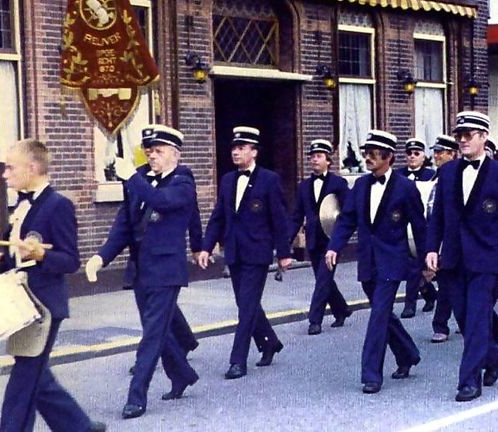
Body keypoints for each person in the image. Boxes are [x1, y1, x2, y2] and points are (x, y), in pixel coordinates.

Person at [86, 125, 199, 419]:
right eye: (149, 151)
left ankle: (136, 397)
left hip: (167, 270)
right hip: (140, 269)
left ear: (175, 154)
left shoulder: (183, 180)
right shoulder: (139, 178)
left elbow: (162, 201)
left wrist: (133, 178)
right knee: (157, 331)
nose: (152, 156)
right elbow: (124, 225)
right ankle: (183, 374)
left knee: (151, 335)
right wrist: (101, 257)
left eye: (158, 151)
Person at [0, 139, 106, 432]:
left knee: (23, 380)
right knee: (36, 376)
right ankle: (80, 428)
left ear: (32, 168)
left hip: (43, 306)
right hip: (21, 303)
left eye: (10, 168)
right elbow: (16, 254)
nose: (5, 174)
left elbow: (70, 260)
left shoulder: (58, 205)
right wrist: (1, 261)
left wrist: (42, 255)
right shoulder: (21, 203)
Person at [425, 111, 498, 402]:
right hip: (453, 258)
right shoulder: (447, 173)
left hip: (487, 258)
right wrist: (431, 249)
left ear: (483, 137)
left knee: (478, 317)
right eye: (459, 135)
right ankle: (493, 355)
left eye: (468, 135)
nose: (462, 140)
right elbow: (437, 215)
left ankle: (469, 381)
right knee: (464, 318)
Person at [325, 130, 426, 394]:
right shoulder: (360, 186)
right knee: (384, 315)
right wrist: (334, 246)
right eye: (366, 153)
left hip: (393, 262)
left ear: (388, 156)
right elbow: (346, 220)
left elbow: (420, 227)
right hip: (368, 261)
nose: (367, 158)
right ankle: (407, 354)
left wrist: (426, 262)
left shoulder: (406, 188)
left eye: (373, 153)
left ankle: (371, 375)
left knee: (378, 316)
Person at [197, 127, 292, 379]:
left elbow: (279, 219)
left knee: (246, 307)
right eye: (233, 148)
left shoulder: (269, 180)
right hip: (235, 252)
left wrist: (284, 252)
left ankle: (237, 361)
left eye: (241, 148)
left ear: (254, 152)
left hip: (258, 252)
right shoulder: (228, 180)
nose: (235, 152)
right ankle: (270, 342)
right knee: (245, 303)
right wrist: (206, 246)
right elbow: (218, 216)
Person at [289, 139, 351, 335]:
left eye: (319, 156)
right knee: (324, 279)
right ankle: (342, 309)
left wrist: (340, 238)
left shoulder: (338, 183)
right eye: (312, 157)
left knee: (323, 280)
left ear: (328, 161)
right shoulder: (304, 186)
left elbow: (347, 213)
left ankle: (314, 320)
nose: (314, 160)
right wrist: (286, 241)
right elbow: (297, 216)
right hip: (313, 240)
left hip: (332, 240)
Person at [398, 137, 437, 318]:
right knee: (409, 266)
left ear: (423, 156)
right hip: (402, 226)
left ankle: (410, 304)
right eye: (409, 153)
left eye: (416, 153)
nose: (412, 156)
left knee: (415, 265)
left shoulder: (431, 175)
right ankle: (430, 294)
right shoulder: (398, 176)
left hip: (422, 226)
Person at [428, 134, 459, 344]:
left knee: (454, 285)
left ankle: (490, 322)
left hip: (456, 239)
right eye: (435, 152)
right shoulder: (433, 177)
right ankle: (440, 325)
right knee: (446, 283)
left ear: (452, 154)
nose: (436, 156)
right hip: (438, 237)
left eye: (440, 152)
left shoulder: (458, 176)